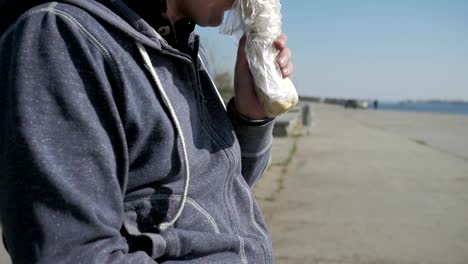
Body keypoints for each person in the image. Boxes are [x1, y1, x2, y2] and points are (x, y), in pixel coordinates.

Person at [0, 0, 293, 263]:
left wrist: (251, 116)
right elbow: (71, 251)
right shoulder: (62, 38)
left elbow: (222, 192)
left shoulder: (181, 47)